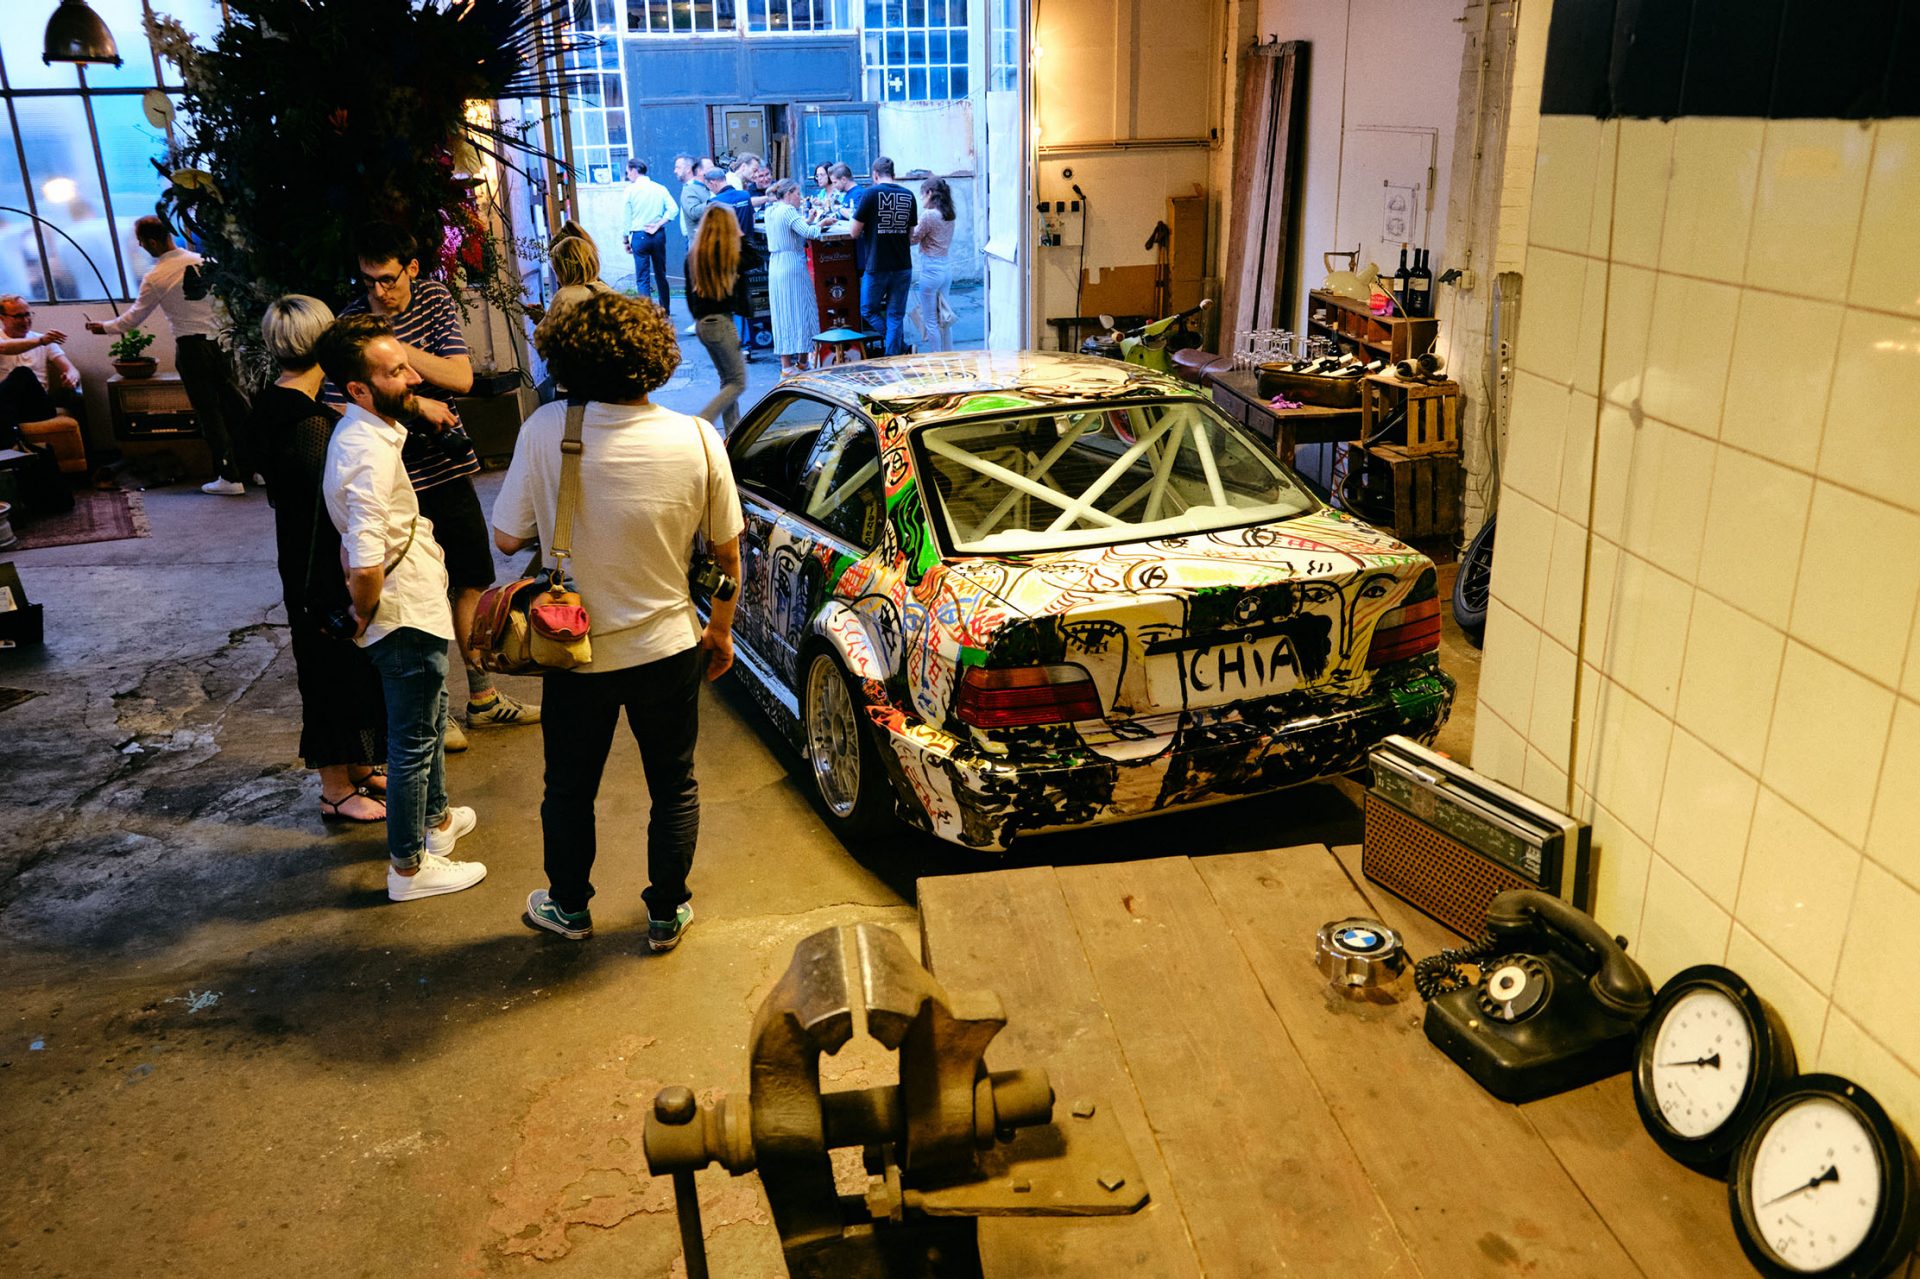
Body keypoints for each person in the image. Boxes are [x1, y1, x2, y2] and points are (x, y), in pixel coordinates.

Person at [491, 291, 743, 950]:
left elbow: (507, 537)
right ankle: (666, 913)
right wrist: (719, 630)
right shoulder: (699, 438)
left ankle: (569, 908)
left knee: (569, 789)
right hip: (668, 647)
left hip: (573, 650)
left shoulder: (546, 429)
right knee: (674, 786)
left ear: (567, 359)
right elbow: (726, 556)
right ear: (655, 358)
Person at [332, 222, 538, 749]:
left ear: (412, 268)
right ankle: (435, 709)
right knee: (415, 592)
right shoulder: (350, 323)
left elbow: (460, 377)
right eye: (368, 281)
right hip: (396, 479)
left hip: (447, 469)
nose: (379, 291)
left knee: (471, 578)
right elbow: (338, 403)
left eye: (388, 279)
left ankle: (483, 698)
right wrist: (415, 402)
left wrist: (390, 351)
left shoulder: (432, 299)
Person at [314, 314, 486, 903]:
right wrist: (364, 612)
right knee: (411, 741)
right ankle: (409, 869)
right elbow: (365, 560)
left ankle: (437, 822)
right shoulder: (367, 450)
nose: (413, 378)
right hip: (402, 613)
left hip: (416, 603)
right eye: (395, 372)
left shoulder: (371, 432)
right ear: (358, 389)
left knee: (431, 718)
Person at [252, 295, 390, 825]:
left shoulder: (273, 402)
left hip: (300, 552)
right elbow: (328, 505)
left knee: (348, 664)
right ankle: (335, 788)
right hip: (319, 562)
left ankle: (358, 766)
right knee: (329, 667)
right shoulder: (308, 420)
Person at [88, 215, 253, 496]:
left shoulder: (156, 276)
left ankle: (230, 477)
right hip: (224, 343)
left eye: (141, 242)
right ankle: (258, 470)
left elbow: (132, 319)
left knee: (210, 414)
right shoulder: (206, 261)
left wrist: (102, 328)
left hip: (192, 349)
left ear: (152, 242)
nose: (141, 247)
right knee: (238, 408)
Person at [0, 295, 78, 513]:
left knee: (22, 374)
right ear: (2, 318)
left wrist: (71, 376)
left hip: (39, 407)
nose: (25, 320)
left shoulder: (42, 340)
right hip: (9, 409)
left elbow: (70, 368)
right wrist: (41, 340)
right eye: (18, 316)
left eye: (28, 314)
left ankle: (9, 446)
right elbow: (5, 348)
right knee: (13, 386)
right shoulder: (32, 340)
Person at [684, 206, 749, 434]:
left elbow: (688, 296)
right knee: (738, 382)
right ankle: (703, 421)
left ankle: (733, 429)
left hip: (703, 324)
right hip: (721, 323)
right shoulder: (728, 256)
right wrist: (740, 235)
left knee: (727, 379)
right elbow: (754, 259)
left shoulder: (694, 255)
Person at [851, 157, 918, 356]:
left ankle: (898, 348)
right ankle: (896, 354)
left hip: (877, 264)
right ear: (894, 174)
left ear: (875, 175)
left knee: (868, 310)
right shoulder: (909, 195)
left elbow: (854, 232)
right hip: (902, 264)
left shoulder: (870, 194)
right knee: (895, 315)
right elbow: (911, 235)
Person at [763, 179, 827, 375]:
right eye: (798, 194)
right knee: (802, 310)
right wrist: (821, 223)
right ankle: (802, 361)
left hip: (776, 264)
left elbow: (792, 231)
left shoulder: (770, 210)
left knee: (783, 313)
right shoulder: (789, 211)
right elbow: (809, 233)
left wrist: (808, 220)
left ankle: (787, 365)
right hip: (792, 264)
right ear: (789, 193)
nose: (800, 198)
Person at [622, 159, 676, 316]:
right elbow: (673, 209)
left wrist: (625, 239)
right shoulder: (660, 188)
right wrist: (658, 224)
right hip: (658, 235)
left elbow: (626, 219)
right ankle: (665, 311)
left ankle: (647, 314)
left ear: (634, 170)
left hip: (639, 236)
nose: (628, 175)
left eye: (628, 172)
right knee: (661, 274)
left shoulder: (630, 191)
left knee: (642, 278)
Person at [912, 178, 958, 353]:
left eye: (922, 194)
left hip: (930, 269)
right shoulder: (949, 214)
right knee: (945, 317)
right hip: (945, 267)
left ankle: (937, 358)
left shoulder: (929, 215)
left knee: (930, 320)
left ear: (930, 193)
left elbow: (913, 239)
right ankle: (949, 356)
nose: (921, 198)